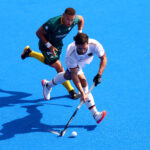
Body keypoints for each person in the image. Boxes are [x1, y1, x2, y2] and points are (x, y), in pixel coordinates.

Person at [41, 33, 107, 124]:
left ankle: (47, 85)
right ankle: (95, 114)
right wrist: (82, 93)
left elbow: (103, 58)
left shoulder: (95, 45)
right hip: (74, 61)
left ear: (87, 43)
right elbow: (75, 76)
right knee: (82, 80)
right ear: (76, 45)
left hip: (84, 60)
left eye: (85, 48)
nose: (83, 50)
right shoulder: (71, 55)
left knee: (67, 76)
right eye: (80, 48)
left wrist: (99, 74)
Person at [21, 7, 84, 99]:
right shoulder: (52, 23)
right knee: (58, 66)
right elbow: (38, 33)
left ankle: (30, 53)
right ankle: (71, 90)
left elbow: (81, 19)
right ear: (63, 16)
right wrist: (49, 46)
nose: (70, 22)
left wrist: (79, 32)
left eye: (71, 20)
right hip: (46, 45)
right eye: (67, 19)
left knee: (49, 62)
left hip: (58, 44)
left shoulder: (74, 20)